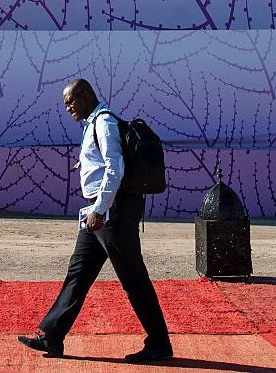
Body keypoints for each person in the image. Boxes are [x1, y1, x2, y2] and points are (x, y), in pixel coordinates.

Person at [17, 78, 173, 361]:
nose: (68, 108)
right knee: (78, 272)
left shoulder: (104, 122)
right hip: (99, 212)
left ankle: (160, 344)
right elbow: (102, 164)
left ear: (87, 94)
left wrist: (100, 209)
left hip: (112, 212)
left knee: (133, 278)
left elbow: (115, 168)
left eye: (71, 101)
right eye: (65, 103)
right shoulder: (93, 123)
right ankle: (52, 337)